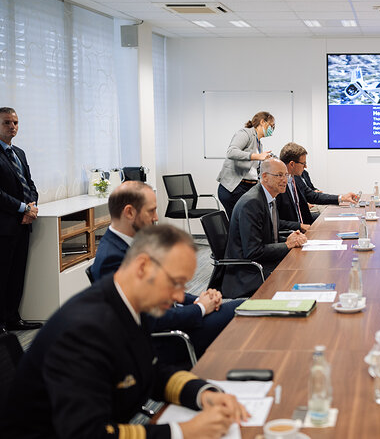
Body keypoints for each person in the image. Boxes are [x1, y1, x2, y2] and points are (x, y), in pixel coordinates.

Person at [3, 224, 249, 439]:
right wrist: (184, 432)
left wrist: (203, 393)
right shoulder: (84, 330)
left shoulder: (129, 304)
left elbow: (151, 370)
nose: (178, 296)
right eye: (174, 283)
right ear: (142, 266)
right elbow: (89, 434)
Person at [90, 181, 243, 359]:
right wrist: (200, 308)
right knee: (240, 310)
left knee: (242, 309)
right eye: (151, 211)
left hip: (177, 319)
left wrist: (201, 300)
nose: (156, 217)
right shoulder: (112, 259)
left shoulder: (133, 243)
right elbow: (149, 319)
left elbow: (164, 290)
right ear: (129, 212)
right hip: (167, 338)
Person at [223, 158, 307, 297]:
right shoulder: (252, 203)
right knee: (299, 275)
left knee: (302, 267)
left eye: (286, 175)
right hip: (249, 272)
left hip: (262, 263)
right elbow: (253, 251)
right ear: (265, 177)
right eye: (279, 175)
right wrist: (287, 244)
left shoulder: (269, 198)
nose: (284, 180)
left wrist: (290, 238)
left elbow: (267, 237)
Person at [0, 107, 42, 334]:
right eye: (7, 122)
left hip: (23, 224)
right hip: (4, 227)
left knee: (17, 275)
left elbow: (30, 184)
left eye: (15, 122)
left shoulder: (20, 153)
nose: (12, 127)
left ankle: (13, 318)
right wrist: (22, 207)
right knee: (3, 275)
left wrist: (31, 207)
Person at [276, 142, 358, 225]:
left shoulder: (295, 179)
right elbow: (274, 222)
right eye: (303, 163)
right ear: (292, 164)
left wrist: (342, 198)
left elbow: (313, 196)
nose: (305, 167)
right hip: (292, 232)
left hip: (304, 225)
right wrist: (299, 226)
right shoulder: (277, 185)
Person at [216, 111, 275, 218]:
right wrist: (257, 156)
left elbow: (252, 167)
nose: (273, 129)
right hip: (234, 188)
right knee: (241, 222)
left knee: (249, 220)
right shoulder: (245, 133)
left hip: (247, 187)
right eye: (271, 125)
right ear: (262, 122)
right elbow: (231, 152)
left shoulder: (259, 144)